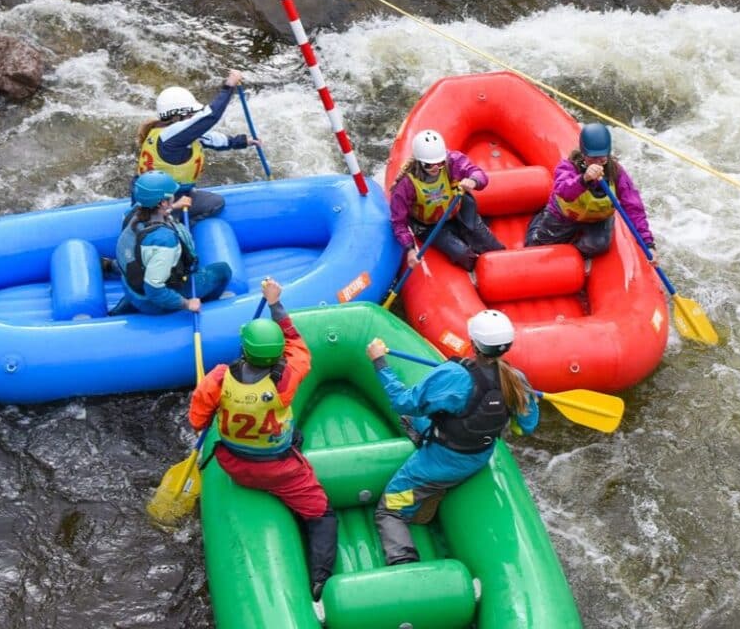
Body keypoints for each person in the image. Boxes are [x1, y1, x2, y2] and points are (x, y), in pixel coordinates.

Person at [189, 277, 337, 604]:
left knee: (292, 435)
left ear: (244, 350)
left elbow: (197, 419)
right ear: (275, 356)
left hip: (235, 466)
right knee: (323, 515)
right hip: (281, 470)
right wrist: (275, 304)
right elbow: (298, 345)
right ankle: (320, 581)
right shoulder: (287, 378)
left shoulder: (218, 378)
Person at [365, 309, 538, 566]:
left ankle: (403, 560)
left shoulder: (453, 376)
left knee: (390, 509)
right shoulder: (517, 379)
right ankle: (428, 492)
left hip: (441, 465)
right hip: (478, 456)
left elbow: (403, 402)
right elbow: (527, 426)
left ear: (473, 343)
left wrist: (379, 362)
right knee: (415, 421)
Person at [524, 122, 657, 269]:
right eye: (592, 158)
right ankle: (540, 217)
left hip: (596, 219)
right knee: (535, 246)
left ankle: (573, 255)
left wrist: (648, 244)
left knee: (599, 246)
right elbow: (563, 191)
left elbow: (633, 207)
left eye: (602, 159)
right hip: (565, 216)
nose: (597, 163)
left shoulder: (616, 172)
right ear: (583, 154)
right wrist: (583, 179)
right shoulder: (568, 167)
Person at [136, 69, 261, 223]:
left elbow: (211, 139)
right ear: (176, 116)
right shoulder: (173, 135)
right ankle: (177, 223)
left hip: (151, 198)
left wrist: (242, 142)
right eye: (190, 115)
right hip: (165, 203)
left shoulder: (165, 132)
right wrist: (229, 86)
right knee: (216, 203)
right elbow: (210, 116)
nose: (193, 119)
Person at [113, 170, 232, 315]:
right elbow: (154, 290)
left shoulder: (134, 212)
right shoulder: (164, 241)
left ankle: (124, 307)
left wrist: (173, 206)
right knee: (223, 270)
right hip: (152, 300)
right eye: (172, 195)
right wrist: (187, 304)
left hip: (131, 285)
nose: (175, 196)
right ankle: (208, 305)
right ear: (162, 202)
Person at [388, 129, 504, 273]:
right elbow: (398, 222)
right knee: (462, 254)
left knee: (493, 247)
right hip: (429, 226)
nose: (436, 168)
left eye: (439, 163)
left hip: (457, 211)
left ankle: (472, 230)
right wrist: (410, 248)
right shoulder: (406, 185)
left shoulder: (452, 160)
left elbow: (479, 174)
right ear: (419, 162)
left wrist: (474, 180)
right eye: (429, 165)